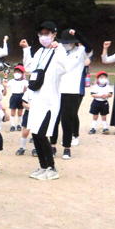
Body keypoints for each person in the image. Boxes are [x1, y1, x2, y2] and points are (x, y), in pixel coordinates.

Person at [20, 21, 69, 181]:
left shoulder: (58, 52)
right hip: (36, 100)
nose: (43, 37)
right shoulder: (40, 51)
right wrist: (26, 49)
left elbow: (64, 67)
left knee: (42, 134)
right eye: (41, 34)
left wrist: (59, 47)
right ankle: (42, 165)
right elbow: (29, 67)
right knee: (35, 133)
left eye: (47, 33)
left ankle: (51, 167)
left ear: (54, 34)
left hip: (50, 101)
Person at [51, 29, 92, 160]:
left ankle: (67, 148)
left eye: (69, 42)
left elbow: (89, 47)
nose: (67, 44)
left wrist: (78, 35)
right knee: (55, 118)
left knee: (67, 119)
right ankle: (52, 145)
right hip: (57, 88)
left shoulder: (81, 52)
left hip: (72, 90)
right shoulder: (59, 50)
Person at [15, 89, 36, 157]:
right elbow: (24, 103)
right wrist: (33, 107)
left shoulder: (43, 91)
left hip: (38, 113)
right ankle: (22, 147)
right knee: (25, 132)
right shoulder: (28, 92)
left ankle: (35, 148)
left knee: (36, 132)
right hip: (29, 113)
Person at [7, 65, 28, 131]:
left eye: (19, 72)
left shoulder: (24, 82)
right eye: (16, 72)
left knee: (20, 112)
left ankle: (19, 124)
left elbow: (25, 91)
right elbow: (6, 84)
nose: (17, 74)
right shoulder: (11, 81)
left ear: (22, 74)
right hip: (14, 96)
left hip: (21, 96)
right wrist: (5, 77)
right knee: (13, 111)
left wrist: (25, 89)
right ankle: (12, 125)